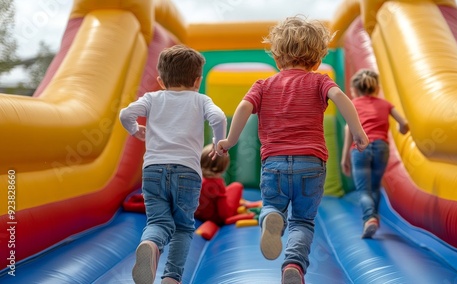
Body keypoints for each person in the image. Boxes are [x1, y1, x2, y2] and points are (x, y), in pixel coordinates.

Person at [215, 15, 369, 284]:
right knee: (302, 221)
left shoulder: (263, 84)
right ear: (317, 59)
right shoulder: (320, 81)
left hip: (274, 162)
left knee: (273, 205)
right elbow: (341, 98)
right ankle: (294, 266)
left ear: (276, 56)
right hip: (311, 164)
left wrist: (229, 140)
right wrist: (357, 131)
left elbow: (243, 108)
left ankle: (272, 217)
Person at [119, 44, 227, 284]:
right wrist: (218, 143)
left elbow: (125, 114)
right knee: (183, 227)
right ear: (198, 80)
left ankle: (150, 244)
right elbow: (218, 117)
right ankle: (171, 278)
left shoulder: (152, 98)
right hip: (187, 172)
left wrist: (135, 130)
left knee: (157, 222)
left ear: (160, 80)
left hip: (153, 171)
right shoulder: (200, 100)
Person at [341, 69, 409, 239]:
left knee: (364, 190)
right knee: (375, 187)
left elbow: (349, 129)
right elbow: (404, 123)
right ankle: (373, 218)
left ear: (355, 90)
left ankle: (369, 218)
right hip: (381, 148)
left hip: (360, 149)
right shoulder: (386, 104)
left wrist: (344, 159)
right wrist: (402, 129)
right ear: (376, 88)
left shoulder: (353, 104)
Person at [195, 144, 244, 226]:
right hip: (215, 219)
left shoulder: (196, 178)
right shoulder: (217, 183)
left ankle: (242, 203)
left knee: (229, 189)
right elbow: (224, 214)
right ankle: (242, 203)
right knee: (237, 186)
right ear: (223, 166)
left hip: (198, 215)